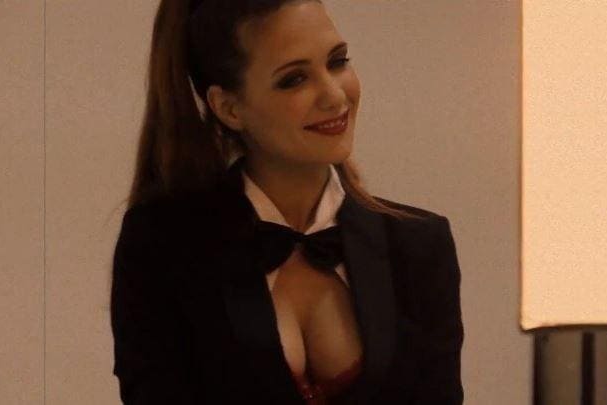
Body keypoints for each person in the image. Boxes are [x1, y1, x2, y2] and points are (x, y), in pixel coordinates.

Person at [109, 0, 464, 403]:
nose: (334, 96)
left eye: (337, 61)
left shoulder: (419, 245)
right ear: (228, 108)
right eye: (294, 79)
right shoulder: (161, 245)